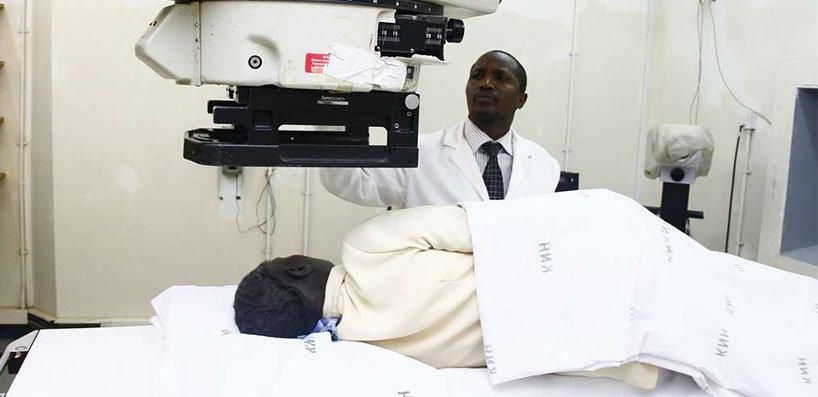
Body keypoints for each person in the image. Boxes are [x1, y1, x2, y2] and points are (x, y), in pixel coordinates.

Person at [234, 206, 659, 390]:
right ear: (297, 269)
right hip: (611, 279)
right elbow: (493, 226)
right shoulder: (364, 247)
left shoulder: (361, 347)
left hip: (609, 350)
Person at [319, 50, 560, 208]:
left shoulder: (544, 165)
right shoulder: (418, 153)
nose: (486, 83)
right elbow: (351, 183)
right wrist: (332, 108)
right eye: (477, 76)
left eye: (500, 77)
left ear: (521, 100)